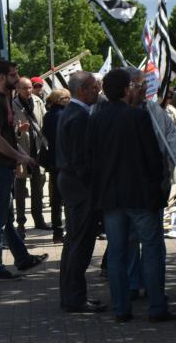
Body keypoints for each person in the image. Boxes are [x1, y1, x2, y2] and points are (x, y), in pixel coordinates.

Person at [87, 68, 176, 323]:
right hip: (140, 196)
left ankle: (121, 308)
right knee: (150, 249)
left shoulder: (96, 118)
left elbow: (91, 159)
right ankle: (157, 307)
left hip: (111, 198)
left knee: (117, 253)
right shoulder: (138, 118)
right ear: (127, 89)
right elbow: (153, 158)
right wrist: (157, 187)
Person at [0, 60, 47, 280]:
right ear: (3, 77)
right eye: (14, 75)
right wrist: (21, 157)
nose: (17, 78)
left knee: (4, 216)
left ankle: (22, 258)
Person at [56, 71, 105, 313]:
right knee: (80, 244)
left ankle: (74, 294)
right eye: (95, 87)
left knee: (75, 241)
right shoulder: (78, 117)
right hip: (79, 186)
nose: (98, 91)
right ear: (82, 90)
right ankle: (74, 297)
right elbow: (80, 160)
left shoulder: (74, 113)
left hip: (73, 183)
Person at [12, 77, 49, 237]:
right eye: (24, 88)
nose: (28, 91)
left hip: (38, 150)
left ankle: (39, 218)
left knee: (38, 187)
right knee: (20, 188)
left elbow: (44, 122)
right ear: (17, 89)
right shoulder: (12, 104)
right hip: (22, 151)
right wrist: (19, 131)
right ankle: (20, 222)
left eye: (29, 87)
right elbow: (9, 132)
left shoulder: (38, 101)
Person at [40, 88, 69, 244]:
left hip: (52, 161)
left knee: (56, 199)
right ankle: (67, 229)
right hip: (64, 162)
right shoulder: (65, 115)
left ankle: (57, 231)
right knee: (67, 197)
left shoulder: (48, 116)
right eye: (66, 97)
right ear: (60, 99)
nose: (69, 100)